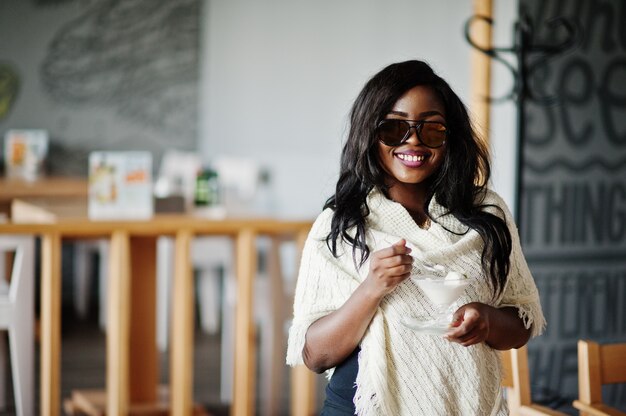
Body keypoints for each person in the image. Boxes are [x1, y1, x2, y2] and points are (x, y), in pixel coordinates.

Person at [286, 60, 546, 416]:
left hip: (466, 403)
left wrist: (486, 320)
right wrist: (372, 287)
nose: (413, 141)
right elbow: (315, 355)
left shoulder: (487, 212)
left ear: (450, 136)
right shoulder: (342, 224)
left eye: (432, 129)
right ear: (369, 133)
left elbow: (521, 322)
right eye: (394, 128)